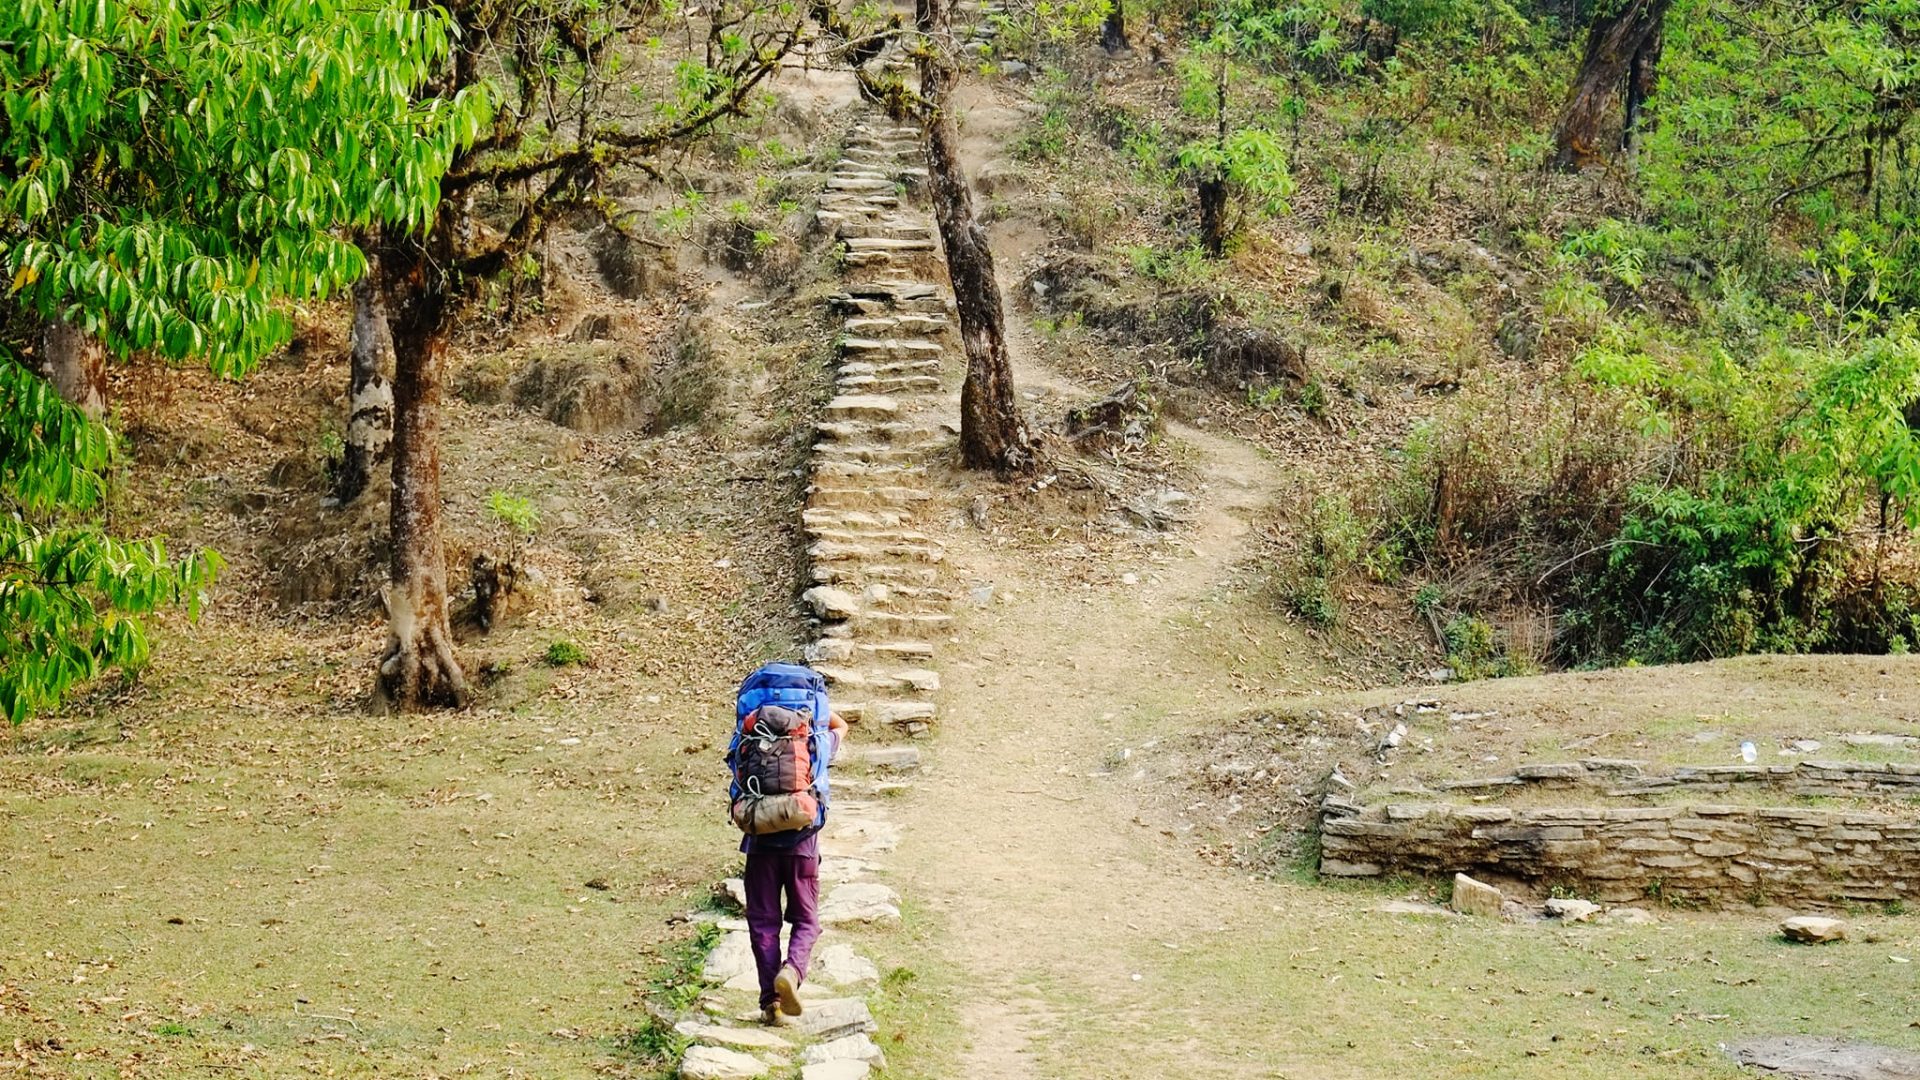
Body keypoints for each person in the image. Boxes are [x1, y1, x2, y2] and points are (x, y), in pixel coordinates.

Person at [733, 680, 846, 1024]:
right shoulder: (812, 740)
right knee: (807, 921)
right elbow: (841, 726)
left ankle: (771, 1002)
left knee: (763, 922)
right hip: (802, 842)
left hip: (759, 841)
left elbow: (736, 773)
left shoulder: (748, 737)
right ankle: (793, 972)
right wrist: (815, 712)